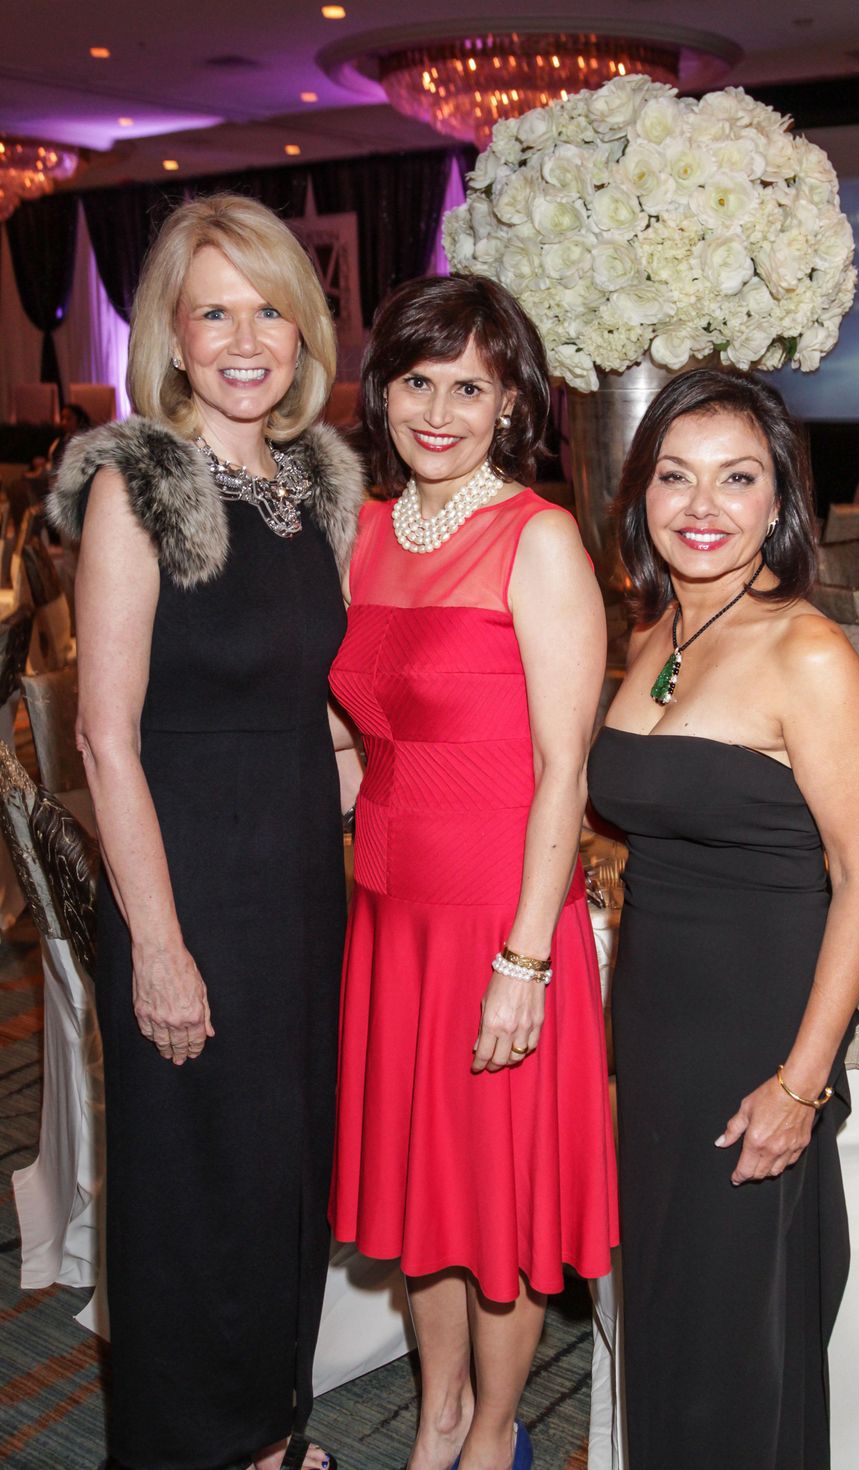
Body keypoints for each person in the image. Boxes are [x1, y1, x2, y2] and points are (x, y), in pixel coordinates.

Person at [49, 194, 364, 1470]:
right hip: (187, 887)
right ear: (173, 340)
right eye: (214, 312)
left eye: (271, 309)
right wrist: (158, 949)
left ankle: (272, 1431)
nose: (247, 339)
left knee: (286, 1173)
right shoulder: (137, 490)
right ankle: (188, 1447)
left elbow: (320, 706)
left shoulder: (309, 485)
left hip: (298, 875)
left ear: (303, 331)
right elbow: (101, 740)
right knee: (195, 1193)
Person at [329, 275, 618, 1470]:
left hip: (500, 924)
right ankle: (437, 1411)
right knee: (422, 1201)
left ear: (508, 404)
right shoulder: (358, 529)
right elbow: (353, 734)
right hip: (388, 916)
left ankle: (494, 1432)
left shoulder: (538, 538)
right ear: (381, 391)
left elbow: (564, 770)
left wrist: (525, 960)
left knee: (492, 1202)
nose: (437, 411)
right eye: (415, 382)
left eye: (469, 387)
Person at [587, 366, 859, 1469]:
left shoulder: (804, 653)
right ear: (640, 493)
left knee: (736, 1357)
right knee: (668, 1326)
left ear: (780, 503)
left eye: (735, 479)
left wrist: (799, 1084)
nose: (700, 506)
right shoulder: (656, 630)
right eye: (674, 477)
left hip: (755, 1043)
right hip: (657, 1035)